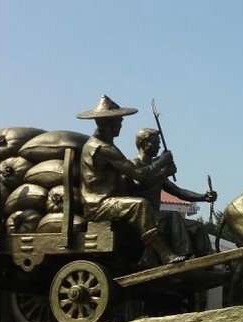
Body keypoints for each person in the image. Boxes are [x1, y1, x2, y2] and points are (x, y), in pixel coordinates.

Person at [76, 95, 184, 264]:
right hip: (99, 205)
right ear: (108, 123)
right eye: (119, 121)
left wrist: (161, 169)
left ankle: (150, 257)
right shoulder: (101, 148)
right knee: (140, 205)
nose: (121, 125)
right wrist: (162, 161)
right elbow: (139, 174)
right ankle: (164, 254)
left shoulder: (107, 145)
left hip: (109, 201)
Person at [131, 128, 216, 261]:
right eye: (156, 142)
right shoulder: (134, 164)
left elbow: (179, 192)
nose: (159, 146)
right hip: (144, 218)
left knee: (196, 227)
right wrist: (164, 169)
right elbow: (140, 182)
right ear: (145, 144)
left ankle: (208, 262)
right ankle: (184, 254)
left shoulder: (156, 169)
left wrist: (203, 197)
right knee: (172, 214)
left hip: (159, 217)